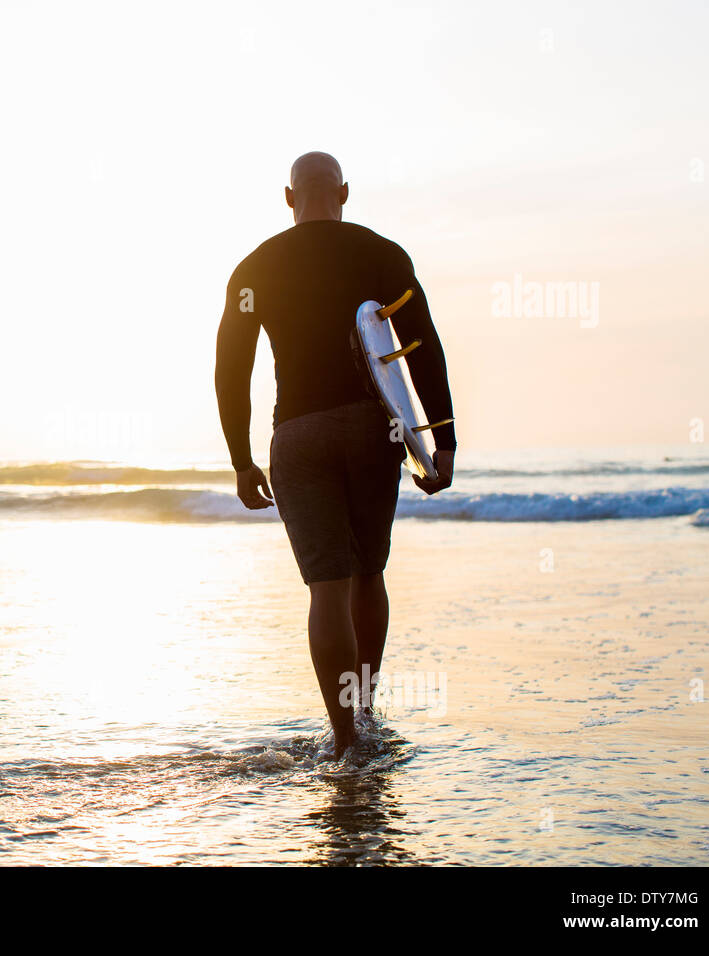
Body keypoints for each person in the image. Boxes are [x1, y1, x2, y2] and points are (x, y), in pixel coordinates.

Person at [213, 151, 457, 757]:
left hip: (297, 435)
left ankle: (343, 736)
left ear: (289, 198)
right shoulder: (380, 253)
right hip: (374, 432)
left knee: (327, 589)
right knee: (368, 574)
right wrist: (442, 439)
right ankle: (365, 717)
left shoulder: (254, 269)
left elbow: (231, 368)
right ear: (343, 193)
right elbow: (420, 342)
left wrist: (241, 458)